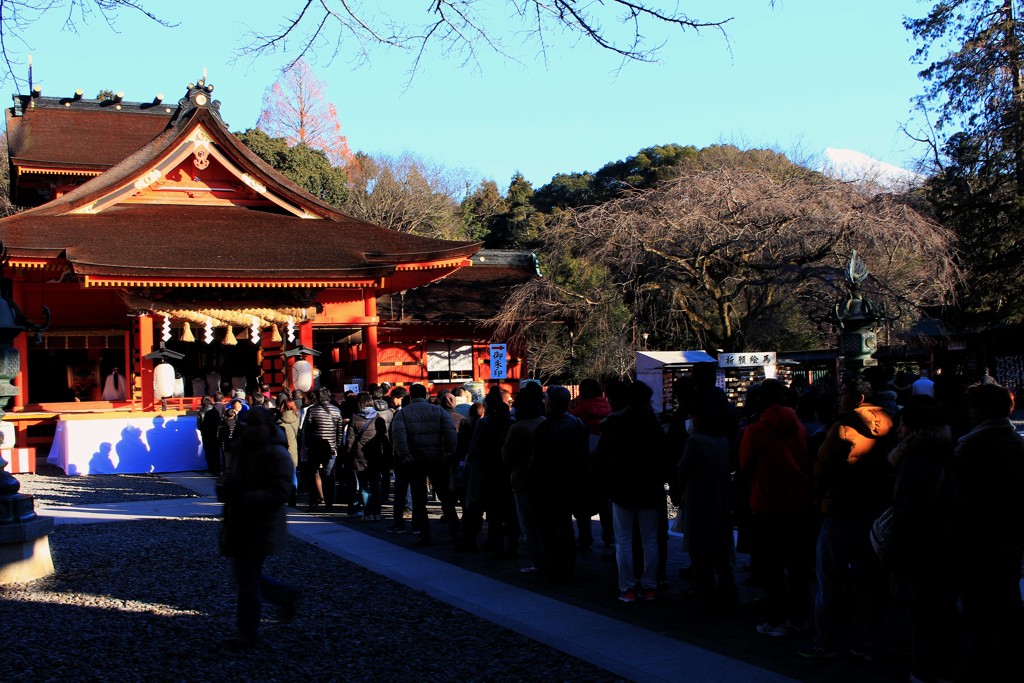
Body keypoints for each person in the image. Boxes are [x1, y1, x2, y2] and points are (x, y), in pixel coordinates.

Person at [800, 374, 893, 660]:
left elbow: (822, 468)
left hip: (840, 509)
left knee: (830, 578)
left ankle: (826, 639)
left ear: (858, 398)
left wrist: (819, 496)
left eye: (844, 392)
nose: (840, 397)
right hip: (873, 511)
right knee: (869, 583)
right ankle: (866, 642)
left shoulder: (843, 428)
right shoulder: (891, 423)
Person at [879, 399, 957, 683]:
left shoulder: (911, 461)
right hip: (945, 545)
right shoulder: (949, 453)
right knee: (942, 613)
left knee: (921, 617)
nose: (898, 430)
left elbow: (905, 514)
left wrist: (890, 554)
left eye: (902, 424)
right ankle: (945, 668)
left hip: (918, 549)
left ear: (912, 428)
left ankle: (922, 671)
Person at [952, 382, 1024, 681]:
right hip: (1010, 532)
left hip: (980, 536)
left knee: (980, 603)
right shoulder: (1014, 440)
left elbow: (962, 495)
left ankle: (984, 662)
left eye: (971, 408)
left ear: (980, 411)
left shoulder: (973, 445)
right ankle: (1011, 657)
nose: (969, 414)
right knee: (1008, 597)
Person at [216, 406, 300, 648]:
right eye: (248, 424)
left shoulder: (276, 453)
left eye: (255, 424)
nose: (250, 429)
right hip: (241, 520)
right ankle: (283, 595)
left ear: (266, 425)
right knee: (244, 576)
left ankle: (248, 631)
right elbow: (233, 477)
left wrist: (243, 497)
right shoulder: (245, 448)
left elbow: (281, 492)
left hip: (260, 523)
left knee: (247, 579)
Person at [739, 378, 812, 637]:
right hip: (799, 502)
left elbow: (745, 467)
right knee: (798, 566)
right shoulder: (800, 428)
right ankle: (800, 616)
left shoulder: (755, 431)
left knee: (771, 568)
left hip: (767, 503)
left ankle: (776, 618)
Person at [596, 380, 672, 603]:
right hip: (649, 488)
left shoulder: (614, 424)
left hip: (622, 488)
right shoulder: (654, 425)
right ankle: (649, 585)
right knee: (650, 540)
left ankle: (627, 587)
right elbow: (664, 459)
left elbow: (604, 457)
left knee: (624, 541)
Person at [676, 389, 737, 612]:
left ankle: (705, 591)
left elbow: (682, 470)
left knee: (700, 551)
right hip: (721, 499)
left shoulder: (695, 441)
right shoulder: (722, 439)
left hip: (699, 499)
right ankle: (728, 591)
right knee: (721, 552)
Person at [532, 386, 589, 583]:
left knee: (550, 528)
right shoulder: (577, 423)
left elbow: (539, 460)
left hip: (550, 483)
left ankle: (554, 565)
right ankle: (568, 565)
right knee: (566, 526)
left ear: (551, 403)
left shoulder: (545, 427)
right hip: (572, 480)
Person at [390, 383, 459, 546]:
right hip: (437, 458)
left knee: (419, 498)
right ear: (426, 395)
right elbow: (450, 432)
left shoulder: (403, 414)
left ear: (411, 396)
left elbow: (398, 437)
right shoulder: (438, 411)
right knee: (445, 496)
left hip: (415, 460)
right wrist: (449, 451)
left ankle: (424, 533)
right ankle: (456, 529)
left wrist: (405, 454)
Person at [302, 387, 345, 512]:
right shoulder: (336, 410)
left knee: (313, 473)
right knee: (329, 475)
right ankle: (329, 503)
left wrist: (307, 445)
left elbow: (306, 430)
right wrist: (336, 446)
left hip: (315, 447)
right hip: (330, 447)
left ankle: (314, 501)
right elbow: (340, 430)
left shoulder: (312, 410)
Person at [197, 395, 223, 475]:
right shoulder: (215, 410)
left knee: (209, 453)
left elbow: (199, 424)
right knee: (216, 452)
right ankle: (218, 470)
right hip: (216, 434)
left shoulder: (201, 411)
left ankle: (211, 470)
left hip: (206, 434)